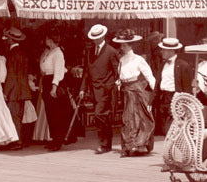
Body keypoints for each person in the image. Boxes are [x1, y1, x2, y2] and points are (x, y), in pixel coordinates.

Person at [111, 29, 156, 157]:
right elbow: (120, 76)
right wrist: (119, 84)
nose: (122, 47)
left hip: (137, 90)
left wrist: (154, 92)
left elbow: (149, 75)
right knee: (128, 118)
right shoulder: (121, 60)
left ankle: (139, 145)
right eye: (121, 44)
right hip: (126, 90)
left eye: (125, 44)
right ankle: (129, 145)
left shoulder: (138, 59)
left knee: (139, 117)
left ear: (130, 45)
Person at [79, 24, 120, 154]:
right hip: (94, 90)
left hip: (106, 89)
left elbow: (117, 71)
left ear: (103, 37)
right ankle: (106, 143)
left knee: (99, 114)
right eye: (93, 38)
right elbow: (87, 71)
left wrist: (113, 86)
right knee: (103, 117)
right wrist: (82, 89)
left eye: (97, 38)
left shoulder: (111, 51)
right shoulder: (90, 51)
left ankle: (104, 144)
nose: (95, 40)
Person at [153, 37, 195, 136]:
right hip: (163, 98)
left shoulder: (183, 65)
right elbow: (158, 83)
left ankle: (175, 149)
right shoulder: (163, 64)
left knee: (173, 127)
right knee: (165, 128)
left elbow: (187, 88)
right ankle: (170, 149)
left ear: (171, 51)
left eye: (164, 50)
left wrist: (185, 104)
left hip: (175, 98)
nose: (162, 52)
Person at [39, 28, 72, 151]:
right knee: (50, 112)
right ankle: (53, 138)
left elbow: (58, 71)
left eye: (47, 38)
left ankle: (58, 140)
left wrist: (54, 87)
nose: (46, 40)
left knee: (57, 113)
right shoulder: (49, 52)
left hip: (55, 82)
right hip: (47, 81)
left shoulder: (58, 53)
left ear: (52, 40)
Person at [1, 27, 34, 148]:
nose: (4, 40)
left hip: (14, 90)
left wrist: (6, 91)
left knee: (14, 115)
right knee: (19, 116)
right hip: (22, 90)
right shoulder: (22, 53)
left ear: (10, 39)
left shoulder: (12, 54)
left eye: (6, 38)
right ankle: (21, 139)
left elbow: (11, 75)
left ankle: (18, 141)